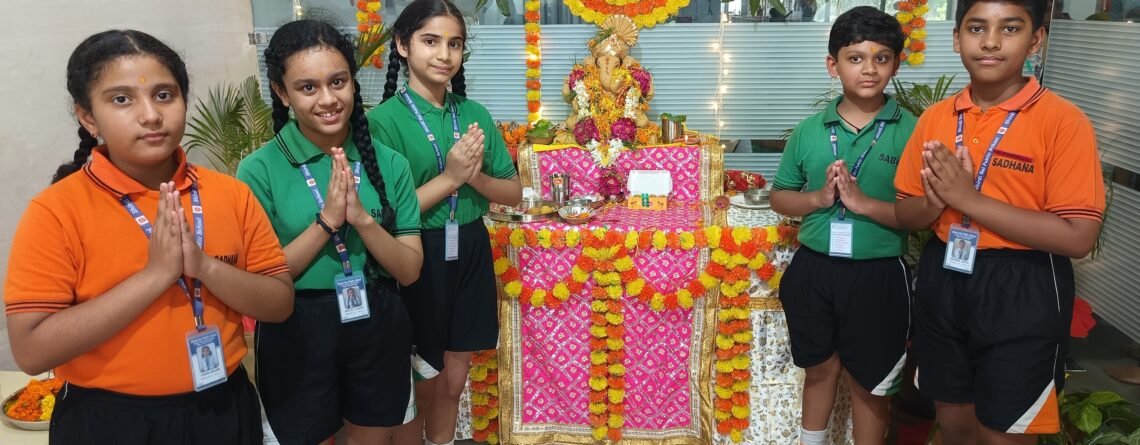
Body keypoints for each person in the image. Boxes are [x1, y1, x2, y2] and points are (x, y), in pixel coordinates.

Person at [3, 29, 294, 444]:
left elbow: (280, 303)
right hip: (108, 421)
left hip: (222, 407)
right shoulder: (56, 211)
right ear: (88, 117)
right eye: (122, 99)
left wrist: (205, 267)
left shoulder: (231, 194)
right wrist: (154, 276)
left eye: (164, 95)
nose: (151, 115)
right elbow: (31, 352)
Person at [893, 0, 1105, 440]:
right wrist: (935, 203)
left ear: (1036, 39)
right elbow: (904, 211)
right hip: (944, 273)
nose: (990, 42)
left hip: (1023, 283)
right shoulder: (935, 118)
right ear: (957, 39)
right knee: (954, 422)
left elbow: (1078, 237)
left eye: (1010, 28)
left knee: (1003, 431)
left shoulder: (1063, 122)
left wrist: (966, 199)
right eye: (976, 28)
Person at [236, 19, 425, 445]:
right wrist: (327, 223)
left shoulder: (389, 163)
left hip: (377, 318)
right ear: (282, 92)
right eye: (307, 87)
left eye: (338, 82)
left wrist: (363, 220)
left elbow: (410, 270)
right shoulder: (258, 170)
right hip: (296, 325)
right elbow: (260, 279)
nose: (328, 99)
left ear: (353, 82)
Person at [367, 1, 523, 443]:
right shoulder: (381, 123)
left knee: (455, 381)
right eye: (431, 41)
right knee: (422, 382)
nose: (444, 54)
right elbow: (385, 216)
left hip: (470, 246)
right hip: (416, 251)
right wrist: (451, 178)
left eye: (454, 44)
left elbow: (512, 193)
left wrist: (475, 178)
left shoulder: (474, 114)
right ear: (402, 45)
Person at [770, 7, 916, 445]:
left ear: (896, 64)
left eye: (881, 58)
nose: (869, 69)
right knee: (819, 369)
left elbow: (924, 212)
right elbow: (780, 196)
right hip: (814, 268)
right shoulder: (809, 130)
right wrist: (819, 199)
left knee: (871, 384)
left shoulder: (914, 130)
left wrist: (863, 204)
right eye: (855, 58)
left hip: (879, 271)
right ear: (833, 65)